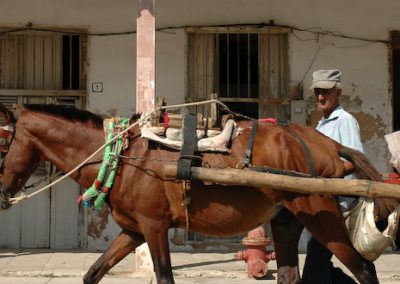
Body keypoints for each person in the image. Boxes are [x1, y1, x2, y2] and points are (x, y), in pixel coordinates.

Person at [302, 69, 364, 284]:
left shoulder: (344, 121)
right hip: (321, 205)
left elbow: (356, 160)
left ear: (337, 93)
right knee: (322, 268)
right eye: (317, 92)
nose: (320, 97)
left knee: (313, 273)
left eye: (325, 92)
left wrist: (328, 175)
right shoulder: (322, 123)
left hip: (336, 208)